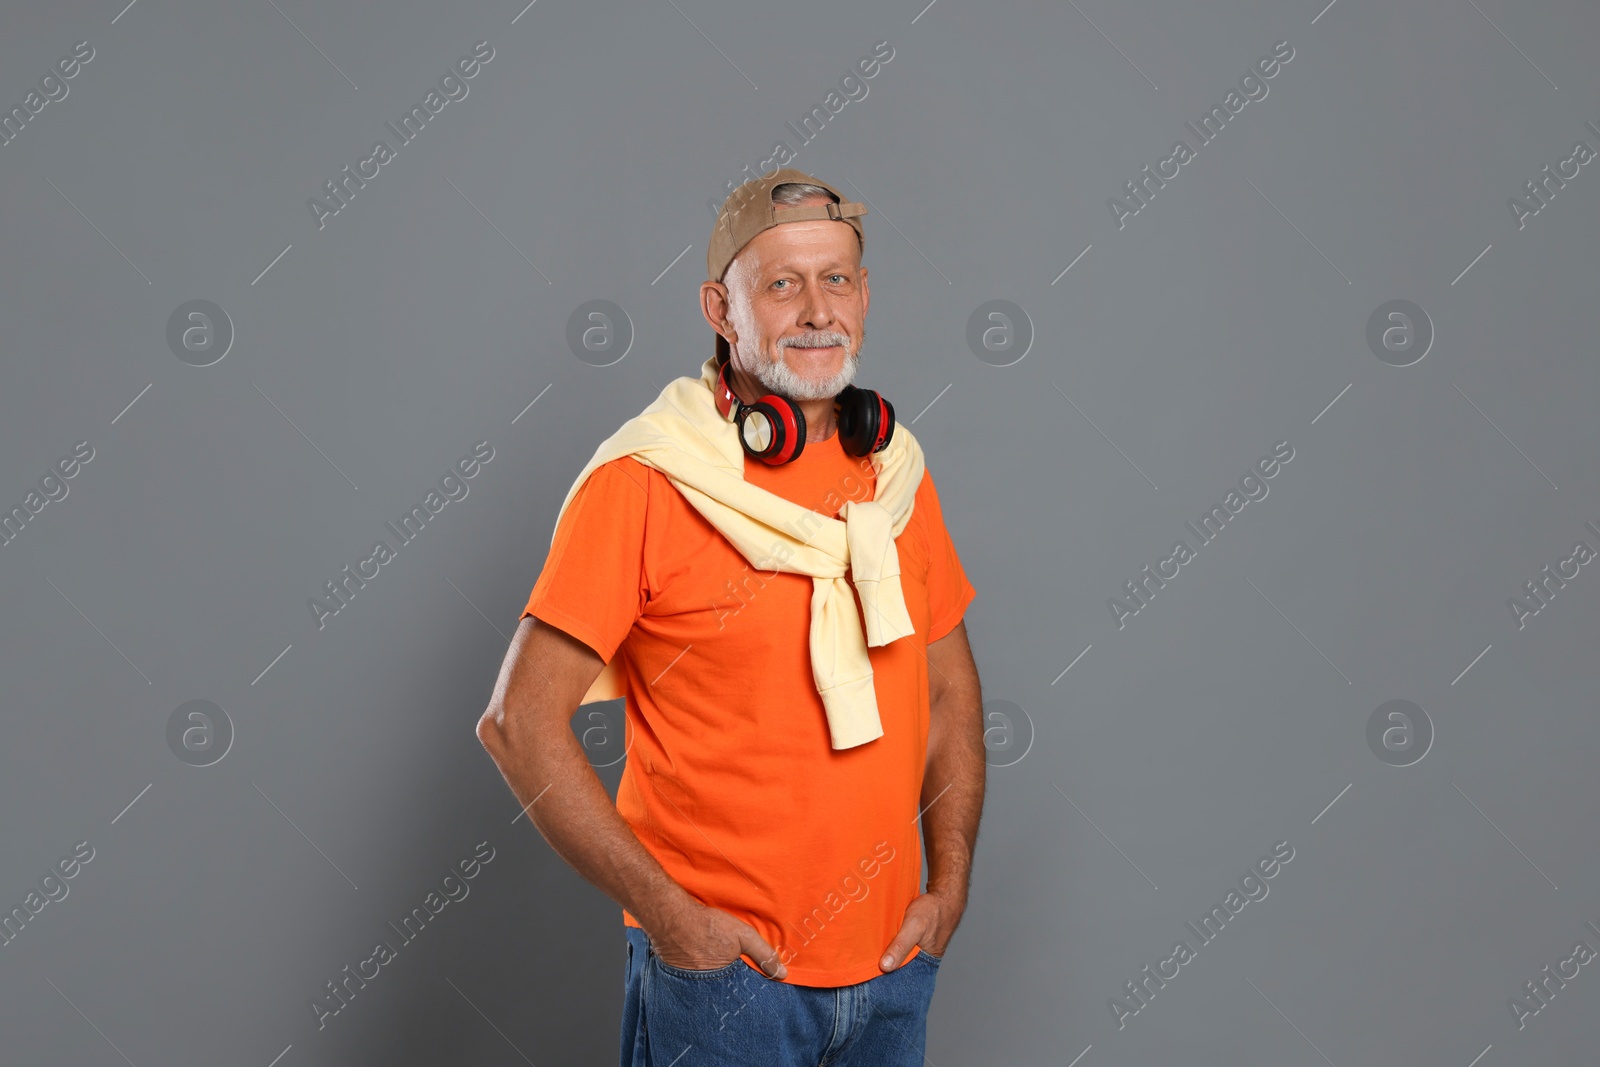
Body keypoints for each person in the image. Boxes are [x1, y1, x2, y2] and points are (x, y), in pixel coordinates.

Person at [475, 167, 984, 1065]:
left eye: (837, 279)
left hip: (892, 976)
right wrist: (676, 923)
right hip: (723, 985)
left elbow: (950, 693)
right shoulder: (648, 481)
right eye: (782, 283)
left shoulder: (896, 479)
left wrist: (948, 890)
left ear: (866, 298)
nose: (817, 309)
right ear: (721, 307)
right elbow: (517, 723)